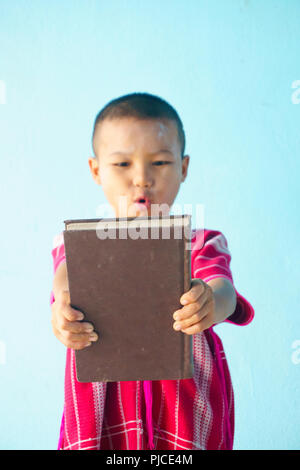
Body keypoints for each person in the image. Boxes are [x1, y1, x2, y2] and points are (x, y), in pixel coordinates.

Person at [50, 92, 254, 450]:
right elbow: (64, 280)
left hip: (184, 395)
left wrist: (209, 303)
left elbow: (223, 290)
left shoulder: (201, 241)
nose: (142, 179)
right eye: (123, 164)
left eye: (159, 163)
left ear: (183, 168)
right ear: (96, 170)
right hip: (102, 391)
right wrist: (62, 311)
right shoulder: (79, 242)